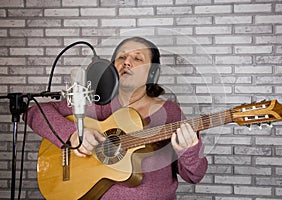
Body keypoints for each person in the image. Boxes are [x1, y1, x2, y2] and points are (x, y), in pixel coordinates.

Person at [26, 37, 208, 200]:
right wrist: (73, 135)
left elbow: (194, 176)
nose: (127, 62)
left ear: (152, 73)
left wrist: (189, 150)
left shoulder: (170, 112)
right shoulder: (92, 102)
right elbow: (34, 111)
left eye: (137, 58)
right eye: (121, 57)